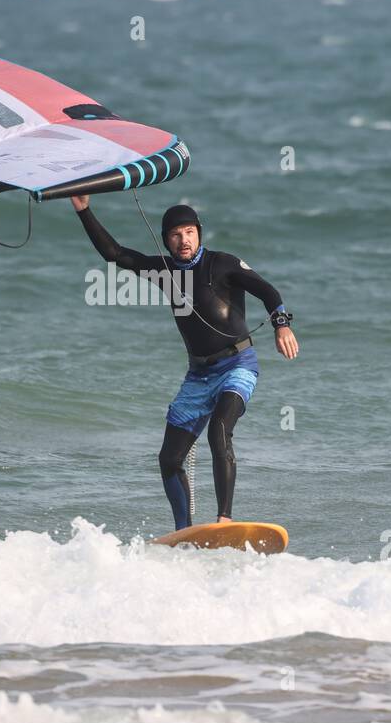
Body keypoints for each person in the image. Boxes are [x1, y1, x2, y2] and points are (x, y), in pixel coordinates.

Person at [70, 195, 298, 530]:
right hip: (199, 376)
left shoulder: (223, 263)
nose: (184, 239)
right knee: (169, 458)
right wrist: (82, 209)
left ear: (199, 234)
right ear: (166, 240)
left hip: (238, 365)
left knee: (220, 430)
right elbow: (115, 254)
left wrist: (282, 325)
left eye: (189, 232)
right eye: (176, 234)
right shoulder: (164, 271)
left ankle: (224, 519)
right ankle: (184, 530)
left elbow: (268, 291)